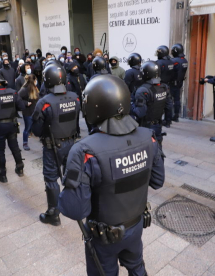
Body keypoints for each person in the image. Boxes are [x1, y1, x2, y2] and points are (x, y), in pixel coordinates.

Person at [58, 75, 165, 276]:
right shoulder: (148, 137)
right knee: (137, 268)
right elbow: (158, 181)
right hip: (136, 226)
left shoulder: (84, 150)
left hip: (103, 237)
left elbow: (75, 209)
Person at [32, 65, 80, 226]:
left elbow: (37, 130)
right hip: (72, 143)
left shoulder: (44, 102)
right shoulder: (75, 97)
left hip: (53, 146)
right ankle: (76, 204)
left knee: (51, 177)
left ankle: (53, 213)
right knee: (72, 174)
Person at [131, 61, 171, 146]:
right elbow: (169, 107)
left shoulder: (143, 90)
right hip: (158, 125)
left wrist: (130, 107)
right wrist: (167, 121)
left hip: (145, 127)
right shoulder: (164, 87)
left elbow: (140, 113)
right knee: (157, 150)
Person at [18, 74, 40, 151]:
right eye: (36, 80)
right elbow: (18, 98)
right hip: (28, 112)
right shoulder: (24, 89)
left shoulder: (35, 88)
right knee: (27, 128)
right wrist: (26, 103)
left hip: (35, 111)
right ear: (33, 81)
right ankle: (25, 143)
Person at [155, 45, 175, 127]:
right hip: (168, 85)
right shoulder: (171, 61)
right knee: (168, 103)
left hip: (160, 84)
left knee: (158, 103)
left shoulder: (159, 63)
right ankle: (168, 121)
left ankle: (158, 120)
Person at [66, 62, 86, 138]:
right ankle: (76, 131)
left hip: (83, 98)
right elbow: (70, 89)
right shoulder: (69, 78)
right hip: (75, 98)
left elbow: (85, 84)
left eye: (76, 67)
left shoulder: (81, 76)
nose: (75, 69)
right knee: (75, 116)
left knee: (86, 115)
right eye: (73, 68)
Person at [170, 43, 188, 122]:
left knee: (169, 100)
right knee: (177, 100)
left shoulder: (174, 61)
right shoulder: (185, 60)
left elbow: (169, 71)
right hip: (179, 83)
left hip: (172, 83)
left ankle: (169, 117)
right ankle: (176, 116)